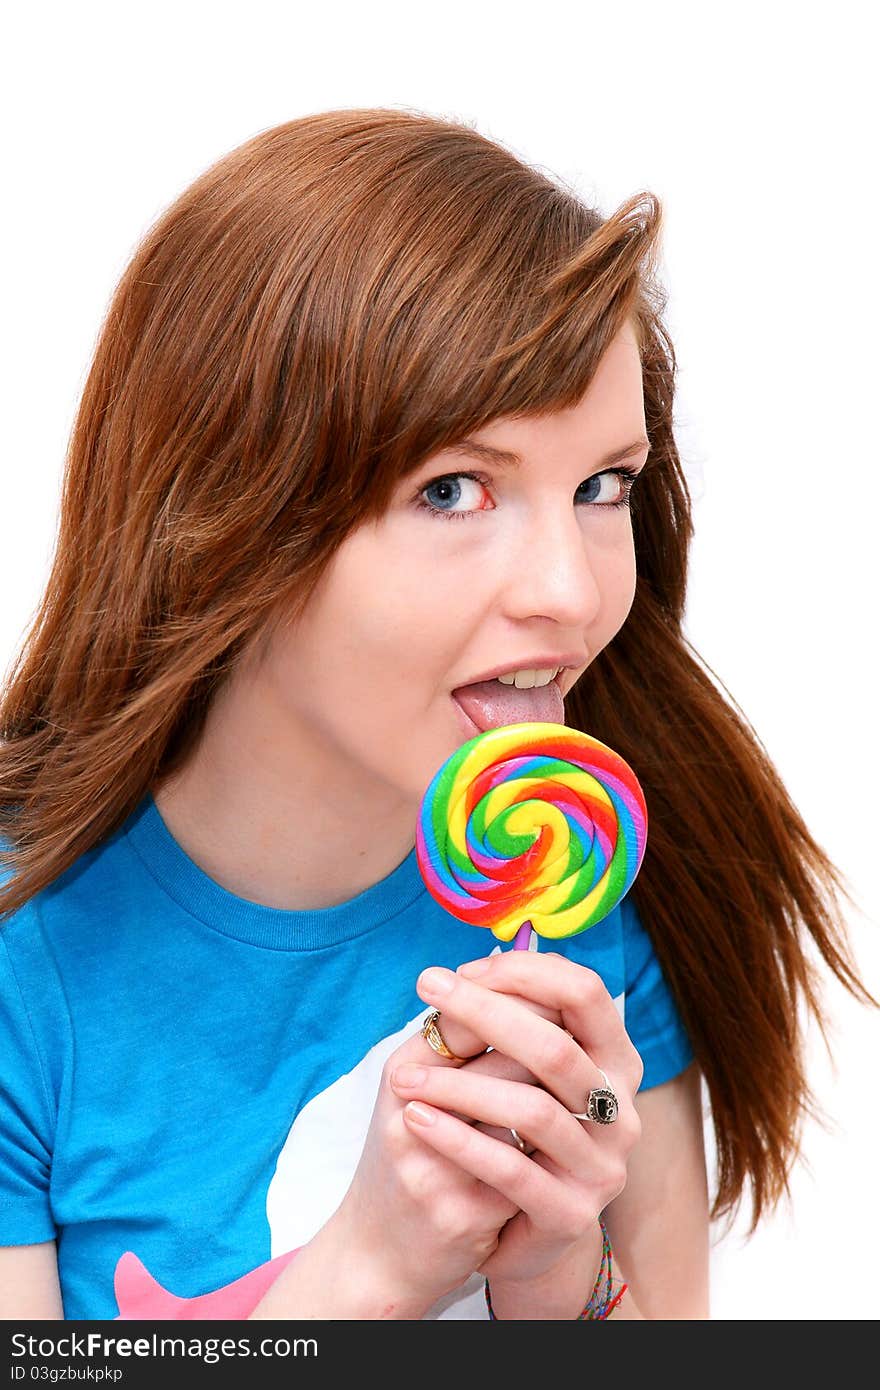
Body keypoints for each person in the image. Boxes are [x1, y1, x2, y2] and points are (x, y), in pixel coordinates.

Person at [0, 108, 869, 1323]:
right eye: (454, 490)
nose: (570, 592)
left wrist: (555, 1273)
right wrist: (371, 1272)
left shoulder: (590, 889)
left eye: (600, 485)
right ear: (229, 516)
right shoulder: (26, 961)